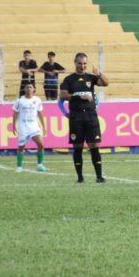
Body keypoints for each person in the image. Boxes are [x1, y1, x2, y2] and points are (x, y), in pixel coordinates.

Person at [59, 52, 109, 183]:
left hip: (91, 115)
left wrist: (99, 73)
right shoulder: (69, 79)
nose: (82, 66)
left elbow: (106, 83)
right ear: (75, 63)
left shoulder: (91, 78)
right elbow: (63, 95)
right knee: (78, 146)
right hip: (76, 117)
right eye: (80, 63)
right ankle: (80, 177)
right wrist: (78, 97)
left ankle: (99, 176)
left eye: (85, 63)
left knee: (94, 145)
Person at [12, 83, 48, 173]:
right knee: (21, 147)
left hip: (34, 126)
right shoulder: (19, 101)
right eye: (27, 87)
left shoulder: (37, 100)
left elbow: (40, 113)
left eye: (30, 87)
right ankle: (19, 166)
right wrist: (13, 125)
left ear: (34, 89)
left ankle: (40, 165)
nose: (29, 88)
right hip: (23, 126)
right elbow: (15, 113)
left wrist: (44, 127)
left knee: (41, 145)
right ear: (24, 89)